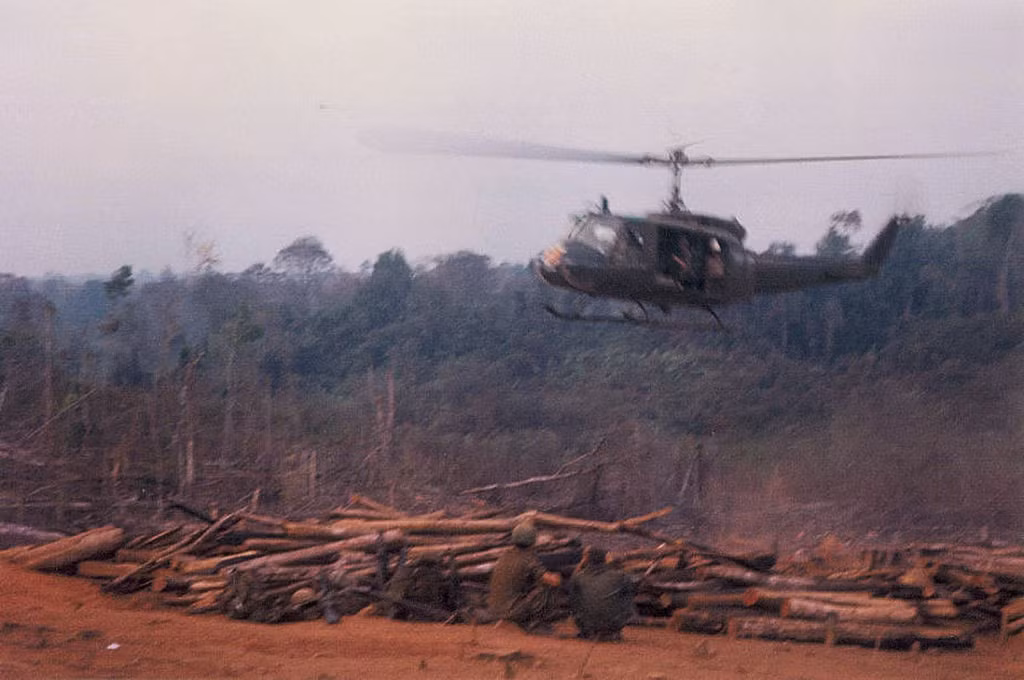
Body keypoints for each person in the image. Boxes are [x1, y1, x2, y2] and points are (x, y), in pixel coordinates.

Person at [488, 520, 565, 632]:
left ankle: (509, 620)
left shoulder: (505, 555)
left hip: (495, 609)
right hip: (511, 610)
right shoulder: (529, 558)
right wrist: (557, 576)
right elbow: (553, 581)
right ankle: (535, 623)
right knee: (547, 587)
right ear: (532, 540)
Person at [568, 546, 636, 641]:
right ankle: (612, 630)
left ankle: (589, 629)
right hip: (613, 624)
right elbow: (632, 588)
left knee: (576, 596)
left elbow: (572, 597)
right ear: (605, 558)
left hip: (586, 625)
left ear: (586, 559)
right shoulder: (620, 576)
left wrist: (581, 564)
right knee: (626, 592)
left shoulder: (578, 577)